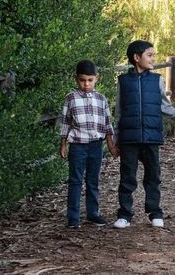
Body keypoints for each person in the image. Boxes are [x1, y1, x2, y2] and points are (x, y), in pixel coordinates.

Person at [113, 40, 175, 229]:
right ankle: (125, 214)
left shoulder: (157, 80)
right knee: (127, 177)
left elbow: (163, 105)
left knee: (153, 176)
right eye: (150, 55)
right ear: (137, 58)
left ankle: (155, 213)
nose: (153, 58)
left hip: (151, 138)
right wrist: (116, 138)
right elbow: (119, 111)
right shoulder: (123, 81)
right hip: (129, 139)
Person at [60, 60, 117, 229]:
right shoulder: (70, 98)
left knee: (93, 180)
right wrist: (63, 144)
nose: (86, 84)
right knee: (75, 180)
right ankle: (73, 217)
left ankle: (93, 213)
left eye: (90, 80)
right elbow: (65, 123)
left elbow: (107, 124)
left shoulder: (101, 99)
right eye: (82, 80)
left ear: (96, 78)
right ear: (76, 79)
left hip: (96, 145)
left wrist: (111, 145)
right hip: (77, 146)